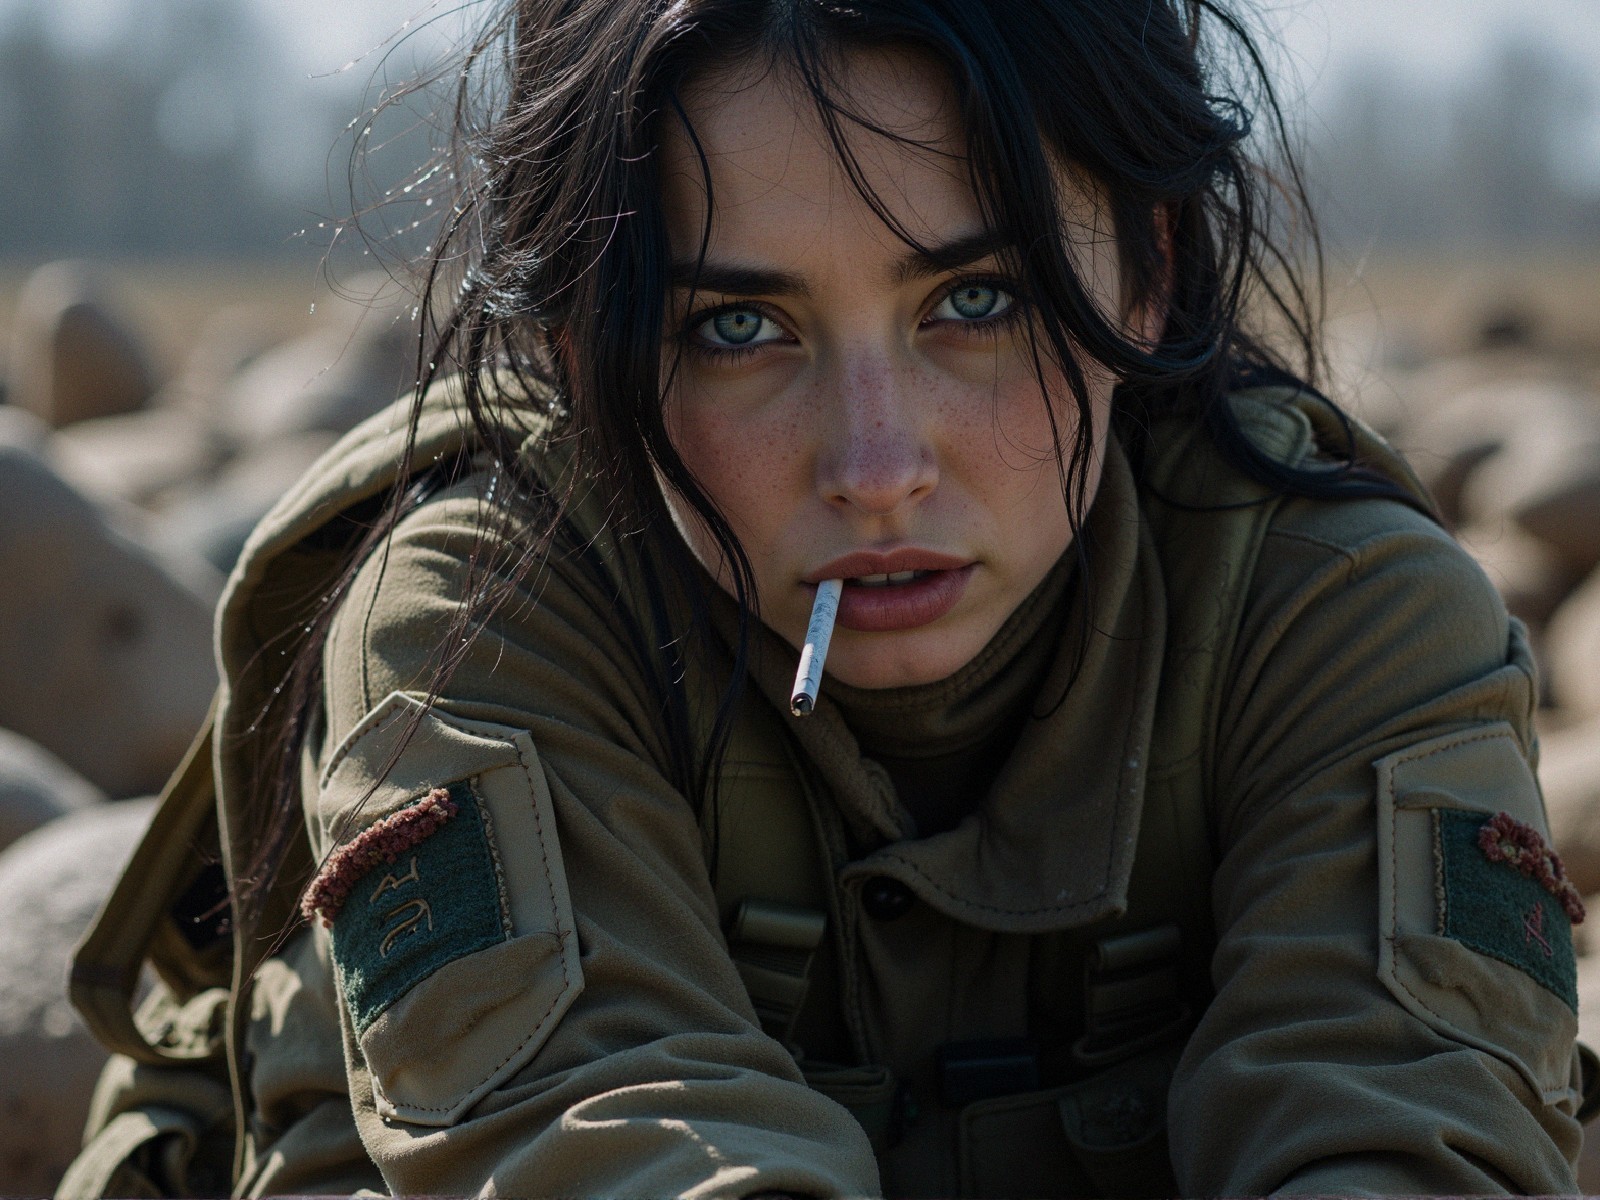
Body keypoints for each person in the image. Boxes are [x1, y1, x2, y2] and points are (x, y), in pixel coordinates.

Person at [62, 0, 1591, 1197]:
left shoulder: (1337, 612)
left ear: (1149, 271)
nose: (874, 466)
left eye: (976, 303)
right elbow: (597, 1149)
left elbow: (1413, 1143)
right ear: (592, 346)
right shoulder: (475, 622)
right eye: (740, 326)